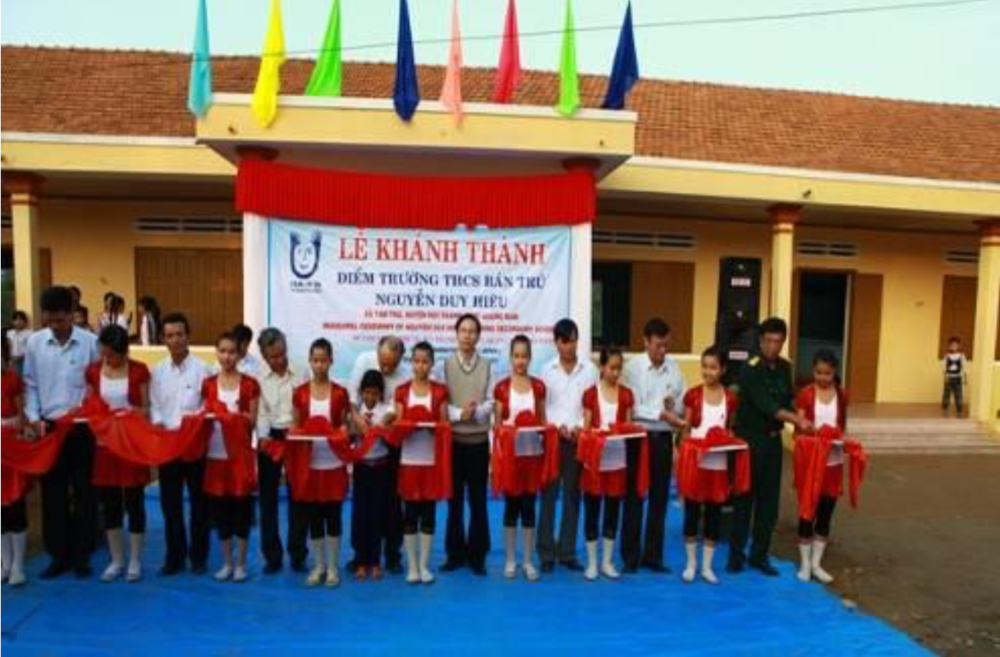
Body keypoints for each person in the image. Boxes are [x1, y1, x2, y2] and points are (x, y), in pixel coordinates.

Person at [23, 285, 100, 579]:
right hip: (49, 428)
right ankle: (57, 554)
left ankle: (82, 554)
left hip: (81, 428)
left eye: (60, 320)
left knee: (84, 491)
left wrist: (85, 413)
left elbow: (95, 386)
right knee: (52, 493)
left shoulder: (90, 343)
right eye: (49, 320)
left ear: (72, 314)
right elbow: (29, 384)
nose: (54, 326)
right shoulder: (34, 343)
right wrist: (33, 418)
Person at [728, 317, 813, 576]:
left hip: (773, 441)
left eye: (778, 341)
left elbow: (788, 398)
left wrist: (802, 414)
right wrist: (798, 419)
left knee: (769, 502)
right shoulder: (749, 369)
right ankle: (736, 555)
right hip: (749, 440)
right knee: (744, 498)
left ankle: (759, 555)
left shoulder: (785, 368)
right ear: (760, 341)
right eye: (769, 341)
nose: (773, 346)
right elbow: (768, 406)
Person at [86, 325, 151, 583]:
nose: (108, 360)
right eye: (104, 355)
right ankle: (116, 559)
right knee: (110, 502)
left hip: (130, 444)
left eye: (112, 355)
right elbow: (91, 406)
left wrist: (128, 415)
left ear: (124, 352)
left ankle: (135, 559)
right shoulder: (93, 371)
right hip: (104, 447)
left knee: (134, 501)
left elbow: (145, 409)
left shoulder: (139, 371)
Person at [621, 318, 686, 574]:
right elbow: (632, 406)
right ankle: (630, 555)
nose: (663, 351)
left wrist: (673, 408)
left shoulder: (674, 368)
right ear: (645, 341)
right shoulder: (632, 368)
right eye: (658, 345)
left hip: (662, 440)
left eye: (666, 346)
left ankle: (653, 556)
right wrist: (661, 414)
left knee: (659, 498)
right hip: (638, 437)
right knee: (634, 496)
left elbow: (680, 405)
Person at [150, 312, 211, 576]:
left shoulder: (204, 370)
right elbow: (152, 404)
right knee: (170, 505)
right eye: (170, 335)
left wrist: (194, 425)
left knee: (200, 504)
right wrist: (158, 422)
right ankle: (174, 556)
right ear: (163, 338)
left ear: (189, 336)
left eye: (180, 334)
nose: (175, 340)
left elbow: (208, 405)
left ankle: (198, 557)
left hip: (195, 446)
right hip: (167, 446)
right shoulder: (158, 371)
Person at [289, 338, 351, 588]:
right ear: (310, 361)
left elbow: (345, 427)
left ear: (331, 361)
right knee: (314, 518)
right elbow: (295, 429)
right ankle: (318, 565)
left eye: (324, 360)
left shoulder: (340, 393)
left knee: (333, 517)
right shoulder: (300, 393)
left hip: (334, 464)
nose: (319, 365)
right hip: (310, 466)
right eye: (315, 360)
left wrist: (343, 432)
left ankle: (334, 568)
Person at [347, 336, 410, 574]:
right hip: (363, 440)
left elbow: (399, 403)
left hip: (390, 442)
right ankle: (360, 554)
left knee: (393, 500)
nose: (386, 368)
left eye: (391, 364)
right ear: (377, 352)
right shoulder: (364, 360)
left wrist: (386, 420)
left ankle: (392, 553)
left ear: (400, 359)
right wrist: (357, 418)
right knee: (361, 504)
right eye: (383, 362)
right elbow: (352, 396)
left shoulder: (405, 373)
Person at [538, 319, 597, 573]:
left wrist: (580, 428)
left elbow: (592, 406)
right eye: (565, 341)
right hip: (552, 439)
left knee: (573, 495)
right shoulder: (545, 370)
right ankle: (546, 552)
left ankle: (568, 552)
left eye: (574, 339)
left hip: (578, 439)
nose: (570, 346)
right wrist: (555, 426)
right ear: (556, 343)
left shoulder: (590, 370)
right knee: (549, 495)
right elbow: (541, 407)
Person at [202, 332, 260, 583]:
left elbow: (253, 421)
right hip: (215, 456)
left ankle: (241, 564)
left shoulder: (249, 384)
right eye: (222, 351)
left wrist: (231, 416)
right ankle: (226, 562)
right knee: (220, 513)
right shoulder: (208, 384)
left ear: (240, 354)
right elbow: (203, 418)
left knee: (241, 512)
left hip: (240, 458)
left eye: (232, 352)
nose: (227, 356)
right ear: (216, 352)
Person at [493, 335, 550, 581]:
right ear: (510, 357)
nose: (520, 361)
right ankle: (510, 559)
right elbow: (496, 428)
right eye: (516, 356)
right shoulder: (502, 388)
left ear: (530, 358)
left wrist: (547, 434)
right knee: (510, 509)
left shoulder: (538, 387)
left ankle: (527, 561)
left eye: (524, 356)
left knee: (529, 508)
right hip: (511, 460)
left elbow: (543, 422)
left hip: (533, 456)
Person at [678, 347, 737, 584]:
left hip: (718, 466)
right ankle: (691, 564)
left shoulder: (730, 399)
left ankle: (707, 566)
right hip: (696, 464)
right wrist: (682, 455)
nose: (708, 371)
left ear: (723, 369)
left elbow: (730, 430)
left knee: (713, 515)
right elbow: (686, 429)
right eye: (705, 366)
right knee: (692, 513)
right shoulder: (692, 395)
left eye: (713, 367)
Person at [440, 314, 493, 575]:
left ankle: (477, 556)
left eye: (473, 331)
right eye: (463, 330)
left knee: (478, 501)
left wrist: (478, 412)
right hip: (454, 443)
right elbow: (439, 402)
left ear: (478, 336)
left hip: (479, 443)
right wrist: (459, 413)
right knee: (454, 502)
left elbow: (492, 401)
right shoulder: (445, 366)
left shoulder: (488, 365)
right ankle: (454, 554)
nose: (468, 335)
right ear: (456, 333)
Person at [394, 341, 451, 585]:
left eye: (425, 361)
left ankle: (425, 565)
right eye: (416, 361)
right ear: (410, 363)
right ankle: (412, 566)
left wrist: (431, 427)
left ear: (431, 363)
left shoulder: (440, 391)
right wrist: (409, 426)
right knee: (410, 516)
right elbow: (397, 429)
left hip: (431, 462)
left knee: (428, 515)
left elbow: (445, 427)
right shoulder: (401, 391)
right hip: (408, 461)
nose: (420, 365)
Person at [255, 327, 309, 574]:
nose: (279, 360)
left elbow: (307, 403)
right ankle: (272, 556)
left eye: (282, 354)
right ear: (264, 356)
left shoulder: (301, 370)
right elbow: (261, 410)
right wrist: (264, 437)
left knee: (298, 496)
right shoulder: (257, 377)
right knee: (268, 499)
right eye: (273, 357)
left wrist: (299, 431)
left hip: (297, 436)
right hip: (270, 437)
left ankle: (298, 553)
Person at [794, 349, 849, 584]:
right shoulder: (805, 394)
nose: (822, 377)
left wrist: (841, 439)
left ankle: (817, 563)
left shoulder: (842, 394)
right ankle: (805, 564)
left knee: (826, 513)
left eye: (827, 373)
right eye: (818, 372)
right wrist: (807, 429)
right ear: (813, 371)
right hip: (811, 464)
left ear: (834, 372)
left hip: (833, 462)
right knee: (808, 512)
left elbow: (842, 424)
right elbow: (798, 426)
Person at [580, 347, 635, 581]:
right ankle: (592, 563)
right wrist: (598, 436)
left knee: (612, 511)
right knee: (592, 511)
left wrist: (620, 432)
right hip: (595, 462)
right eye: (611, 368)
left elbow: (629, 428)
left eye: (618, 368)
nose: (615, 372)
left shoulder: (626, 395)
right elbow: (586, 429)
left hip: (617, 461)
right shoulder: (590, 394)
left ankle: (607, 562)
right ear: (601, 367)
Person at [351, 370, 395, 582]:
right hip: (360, 469)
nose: (370, 397)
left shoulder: (387, 412)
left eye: (374, 393)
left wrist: (383, 428)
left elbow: (392, 438)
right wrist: (354, 427)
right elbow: (348, 439)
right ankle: (360, 561)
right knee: (360, 515)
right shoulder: (355, 413)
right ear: (361, 392)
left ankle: (376, 561)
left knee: (378, 514)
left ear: (381, 394)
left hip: (380, 469)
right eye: (366, 393)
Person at [2, 336, 29, 586]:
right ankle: (5, 562)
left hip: (10, 448)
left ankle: (19, 564)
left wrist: (12, 426)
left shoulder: (11, 379)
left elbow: (22, 417)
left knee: (14, 505)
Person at [941, 336, 967, 417]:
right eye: (952, 345)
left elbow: (964, 367)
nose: (954, 347)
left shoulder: (962, 356)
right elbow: (943, 367)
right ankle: (945, 410)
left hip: (958, 377)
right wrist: (945, 376)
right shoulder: (946, 356)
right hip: (949, 377)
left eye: (955, 345)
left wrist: (965, 378)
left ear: (959, 346)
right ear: (949, 346)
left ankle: (959, 411)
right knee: (946, 395)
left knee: (958, 395)